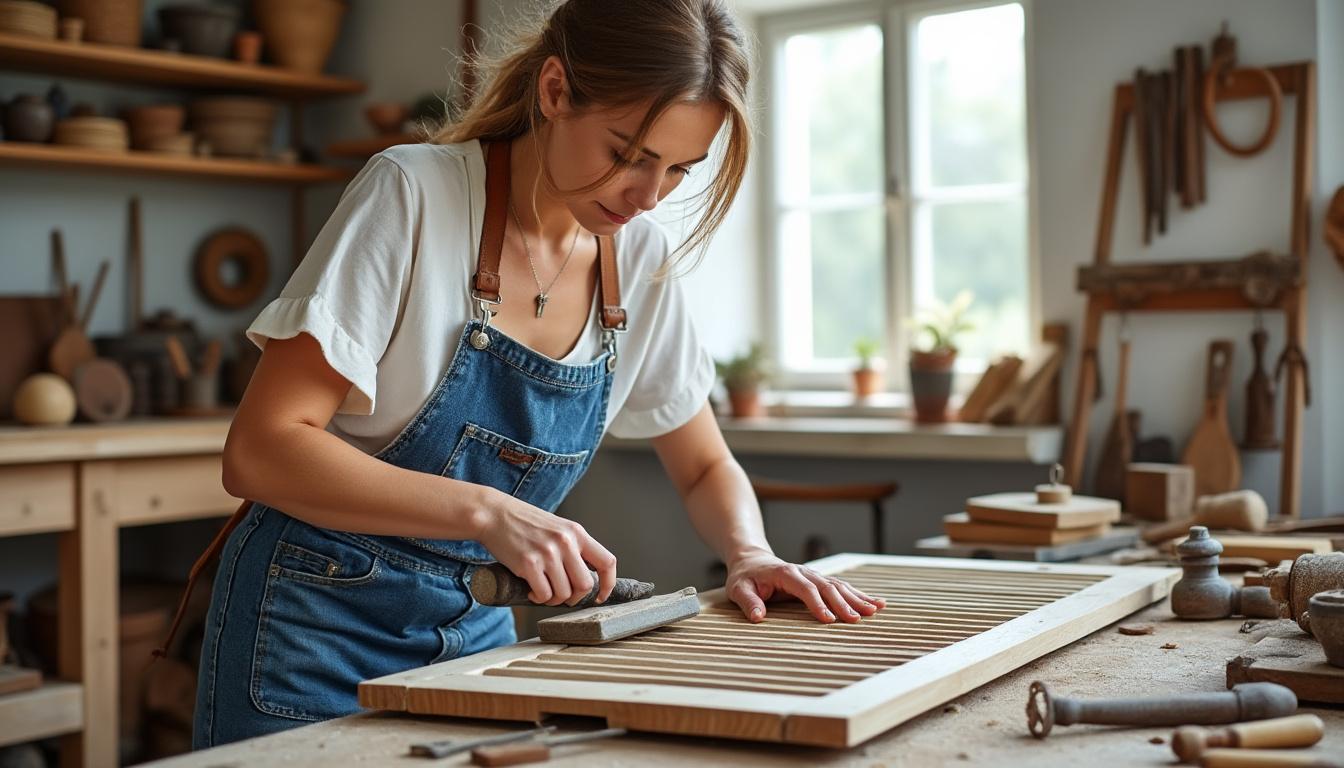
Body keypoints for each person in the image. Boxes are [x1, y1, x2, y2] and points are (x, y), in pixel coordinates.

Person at [183, 0, 885, 748]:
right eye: (628, 153)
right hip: (308, 636)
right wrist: (488, 513)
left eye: (679, 169)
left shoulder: (638, 259)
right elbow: (260, 450)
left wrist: (751, 553)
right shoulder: (414, 194)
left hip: (477, 640)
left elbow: (704, 464)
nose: (648, 196)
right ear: (554, 91)